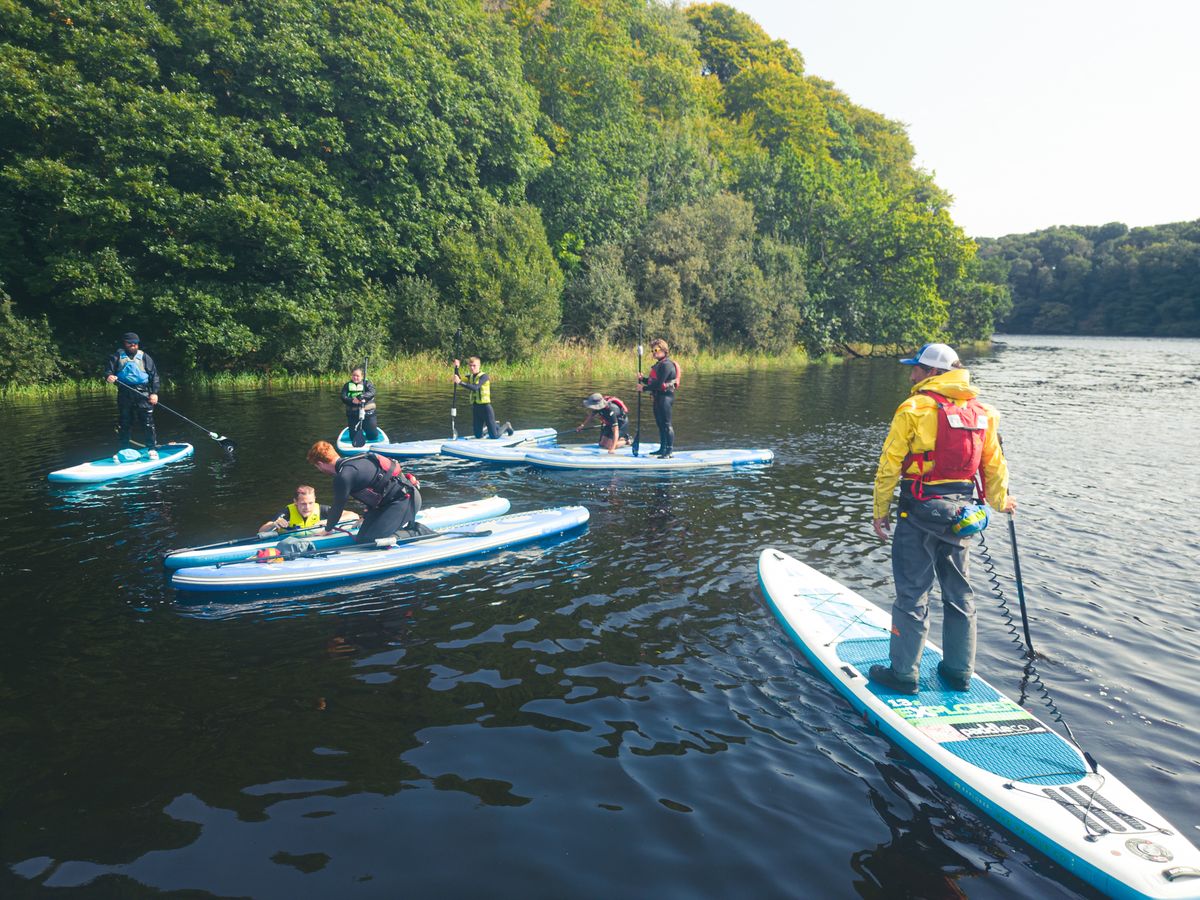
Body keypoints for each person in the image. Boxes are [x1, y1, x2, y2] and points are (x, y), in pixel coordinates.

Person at [868, 342, 1017, 695]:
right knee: (959, 591)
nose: (911, 374)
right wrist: (1000, 501)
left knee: (913, 594)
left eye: (917, 368)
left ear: (933, 372)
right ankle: (958, 672)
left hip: (919, 511)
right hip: (962, 515)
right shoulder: (984, 412)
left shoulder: (914, 408)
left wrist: (880, 512)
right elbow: (994, 464)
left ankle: (904, 674)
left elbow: (889, 464)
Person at [306, 442, 428, 543]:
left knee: (371, 540)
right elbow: (376, 489)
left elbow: (337, 507)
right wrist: (365, 517)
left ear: (320, 464)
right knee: (361, 539)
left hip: (405, 500)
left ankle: (417, 530)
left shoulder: (344, 476)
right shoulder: (356, 460)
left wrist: (327, 529)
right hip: (389, 503)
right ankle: (394, 526)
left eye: (317, 467)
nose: (320, 470)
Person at [104, 331, 160, 459]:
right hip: (125, 393)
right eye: (130, 344)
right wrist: (109, 376)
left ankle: (151, 448)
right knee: (125, 422)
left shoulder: (145, 357)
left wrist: (154, 393)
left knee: (147, 422)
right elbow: (108, 371)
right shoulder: (117, 356)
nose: (133, 345)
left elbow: (154, 376)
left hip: (143, 393)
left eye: (135, 344)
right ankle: (124, 450)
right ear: (125, 344)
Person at [258, 484, 360, 534]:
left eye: (311, 503)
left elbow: (354, 516)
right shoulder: (287, 512)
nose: (307, 508)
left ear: (315, 500)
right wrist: (274, 524)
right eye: (303, 504)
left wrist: (329, 521)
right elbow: (261, 531)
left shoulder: (322, 509)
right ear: (295, 502)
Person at [636, 338, 678, 458]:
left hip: (666, 397)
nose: (654, 352)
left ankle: (669, 451)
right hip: (658, 397)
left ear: (663, 350)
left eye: (656, 349)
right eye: (652, 350)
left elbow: (659, 384)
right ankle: (662, 448)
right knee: (660, 424)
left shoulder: (667, 365)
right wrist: (643, 379)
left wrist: (643, 388)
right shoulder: (659, 364)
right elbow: (652, 381)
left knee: (666, 424)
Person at [453, 356, 512, 439]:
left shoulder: (484, 376)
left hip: (486, 409)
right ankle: (494, 425)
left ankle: (506, 426)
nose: (472, 368)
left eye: (474, 365)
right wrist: (457, 367)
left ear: (479, 366)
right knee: (478, 436)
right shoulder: (470, 377)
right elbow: (458, 379)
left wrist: (460, 383)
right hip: (476, 409)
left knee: (494, 436)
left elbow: (475, 387)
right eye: (470, 365)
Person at [341, 366, 380, 446]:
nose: (355, 377)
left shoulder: (367, 384)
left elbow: (372, 392)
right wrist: (352, 400)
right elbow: (343, 397)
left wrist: (361, 397)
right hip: (353, 415)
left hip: (368, 414)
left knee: (372, 436)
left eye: (357, 376)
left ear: (362, 376)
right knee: (353, 438)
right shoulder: (347, 385)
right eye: (353, 375)